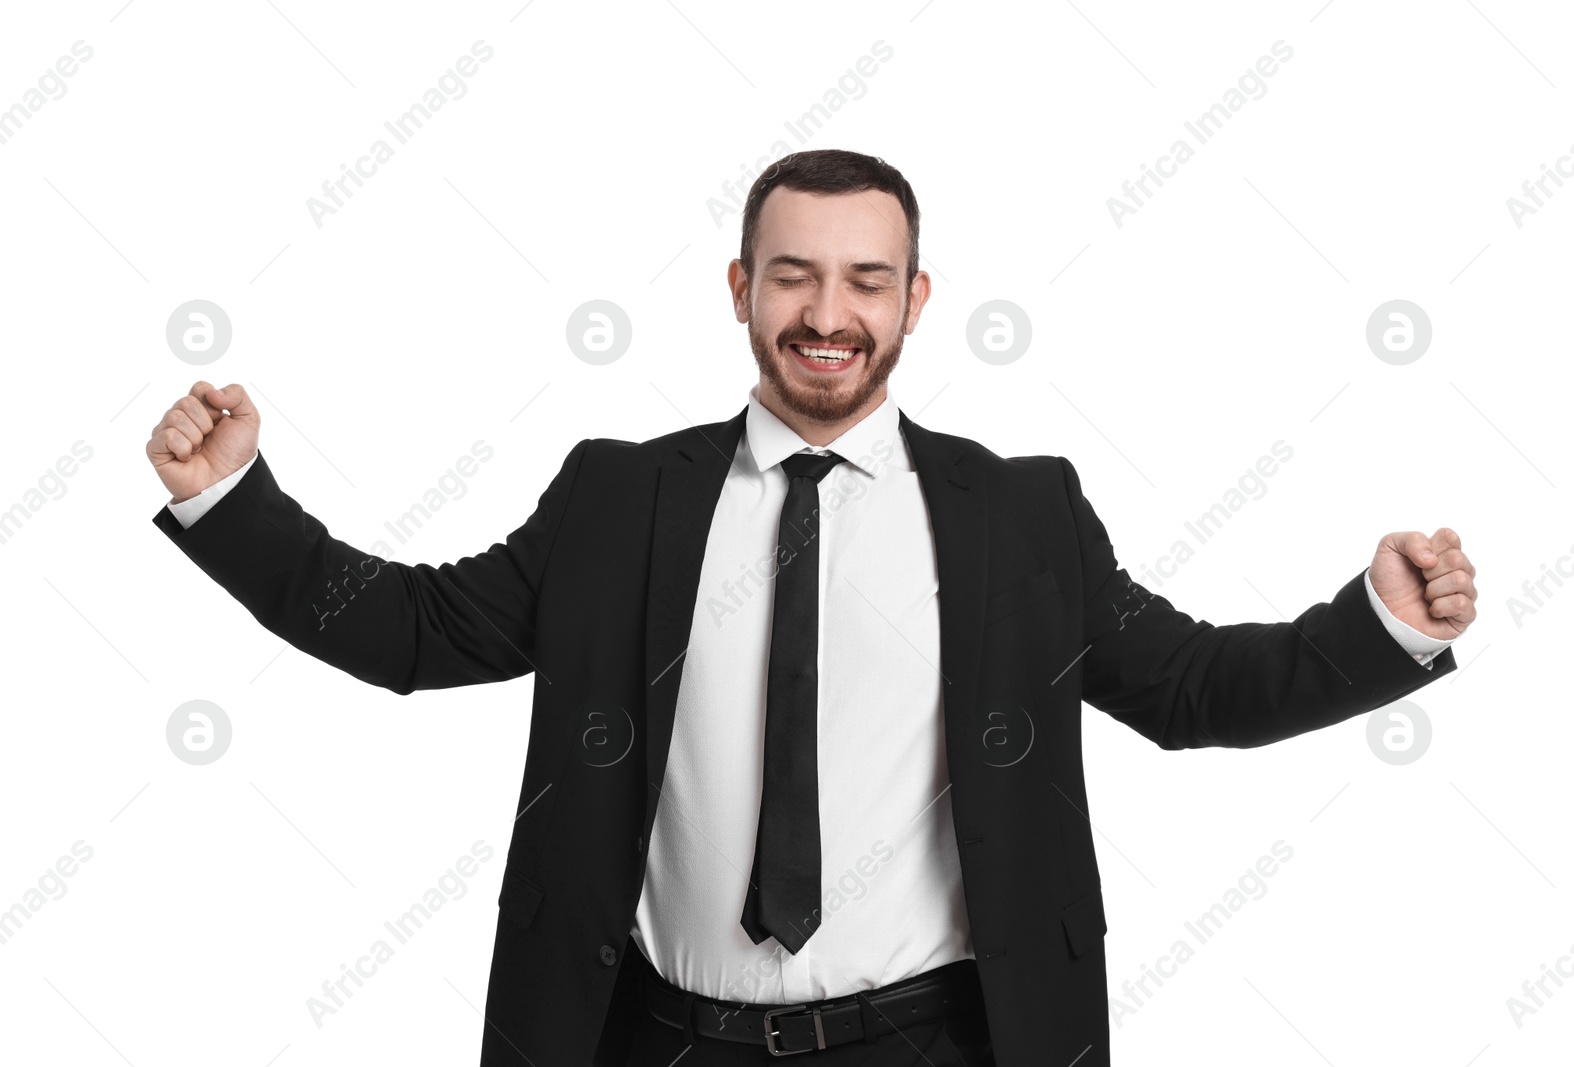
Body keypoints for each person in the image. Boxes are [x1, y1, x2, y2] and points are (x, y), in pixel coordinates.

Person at [146, 149, 1478, 1065]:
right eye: (792, 275)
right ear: (741, 289)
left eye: (864, 280)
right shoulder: (620, 500)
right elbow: (419, 632)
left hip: (935, 1041)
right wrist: (233, 503)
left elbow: (1192, 693)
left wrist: (1381, 627)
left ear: (914, 302)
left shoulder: (1021, 515)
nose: (825, 313)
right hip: (657, 1035)